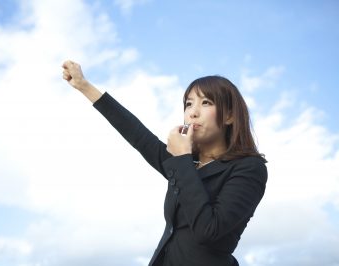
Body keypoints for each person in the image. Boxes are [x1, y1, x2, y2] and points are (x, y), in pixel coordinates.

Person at [62, 60, 267, 266]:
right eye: (189, 104)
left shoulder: (249, 168)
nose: (193, 112)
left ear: (230, 116)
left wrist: (182, 159)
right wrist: (84, 86)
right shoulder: (186, 163)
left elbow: (209, 230)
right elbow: (137, 135)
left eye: (206, 103)